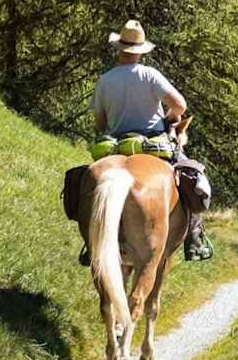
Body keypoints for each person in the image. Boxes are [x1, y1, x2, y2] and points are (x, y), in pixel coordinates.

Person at [80, 19, 212, 263]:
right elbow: (180, 105)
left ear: (119, 48)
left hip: (116, 145)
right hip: (154, 143)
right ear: (140, 51)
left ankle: (90, 244)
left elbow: (99, 122)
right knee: (189, 179)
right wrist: (170, 119)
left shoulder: (105, 80)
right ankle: (195, 241)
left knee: (85, 183)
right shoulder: (149, 74)